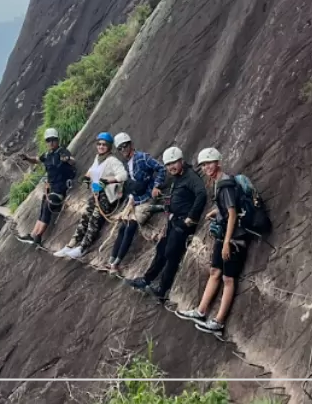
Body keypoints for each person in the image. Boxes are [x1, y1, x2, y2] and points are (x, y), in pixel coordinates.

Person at [175, 147, 250, 335]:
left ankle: (219, 321)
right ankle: (200, 311)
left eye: (209, 163)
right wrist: (216, 211)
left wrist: (226, 243)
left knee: (228, 278)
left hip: (234, 239)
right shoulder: (219, 182)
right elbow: (228, 208)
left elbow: (233, 214)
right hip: (224, 235)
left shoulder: (224, 184)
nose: (206, 167)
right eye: (204, 164)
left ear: (217, 162)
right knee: (215, 271)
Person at [126, 146, 206, 301]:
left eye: (174, 163)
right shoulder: (178, 177)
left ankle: (162, 290)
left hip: (183, 223)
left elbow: (201, 194)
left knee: (171, 254)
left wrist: (190, 218)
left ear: (181, 160)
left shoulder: (191, 177)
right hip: (173, 220)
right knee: (161, 249)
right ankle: (147, 279)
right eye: (168, 165)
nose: (171, 167)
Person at [54, 132, 128, 260]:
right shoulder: (98, 158)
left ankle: (83, 247)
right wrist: (87, 178)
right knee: (85, 217)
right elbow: (92, 170)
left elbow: (123, 175)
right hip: (96, 194)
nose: (101, 146)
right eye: (99, 144)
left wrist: (107, 181)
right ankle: (71, 245)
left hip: (107, 196)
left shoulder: (112, 160)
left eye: (104, 145)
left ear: (109, 146)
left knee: (94, 219)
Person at [106, 132, 166, 275]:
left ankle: (116, 263)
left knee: (130, 226)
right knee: (122, 227)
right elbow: (131, 186)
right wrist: (128, 203)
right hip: (136, 200)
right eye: (120, 148)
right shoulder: (127, 165)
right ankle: (111, 260)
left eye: (125, 146)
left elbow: (161, 168)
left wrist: (156, 185)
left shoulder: (142, 158)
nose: (123, 150)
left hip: (147, 199)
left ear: (131, 144)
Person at [15, 128, 77, 247]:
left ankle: (38, 236)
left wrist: (67, 159)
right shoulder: (47, 154)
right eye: (49, 140)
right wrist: (27, 158)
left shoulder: (62, 151)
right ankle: (33, 234)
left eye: (53, 140)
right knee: (43, 209)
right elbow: (37, 160)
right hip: (51, 187)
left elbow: (72, 161)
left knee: (48, 207)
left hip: (60, 187)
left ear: (57, 140)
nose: (51, 142)